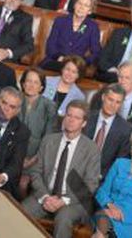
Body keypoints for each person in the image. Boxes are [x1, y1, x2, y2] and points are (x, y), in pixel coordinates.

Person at [22, 100, 101, 238]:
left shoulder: (91, 149)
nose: (71, 120)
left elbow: (91, 184)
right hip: (45, 194)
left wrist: (63, 201)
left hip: (73, 201)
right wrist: (45, 196)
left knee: (63, 219)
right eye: (69, 115)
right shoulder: (49, 140)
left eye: (77, 118)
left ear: (84, 123)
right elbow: (35, 172)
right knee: (21, 211)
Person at [18, 69, 56, 198]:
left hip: (36, 159)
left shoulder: (49, 106)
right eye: (28, 81)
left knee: (22, 184)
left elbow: (48, 140)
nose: (31, 85)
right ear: (23, 83)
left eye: (35, 82)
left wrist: (31, 161)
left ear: (41, 87)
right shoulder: (15, 100)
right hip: (12, 154)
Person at [40, 0, 101, 71]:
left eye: (86, 5)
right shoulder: (60, 21)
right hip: (56, 61)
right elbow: (50, 44)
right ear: (74, 5)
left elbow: (96, 52)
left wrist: (82, 62)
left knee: (71, 71)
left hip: (76, 66)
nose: (81, 7)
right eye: (79, 3)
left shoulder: (93, 27)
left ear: (90, 11)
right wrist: (58, 57)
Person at [84, 84, 132, 178]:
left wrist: (102, 176)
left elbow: (120, 162)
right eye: (110, 99)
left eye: (118, 102)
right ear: (103, 97)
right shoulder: (87, 117)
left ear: (121, 104)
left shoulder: (126, 129)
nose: (113, 105)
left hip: (103, 178)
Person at [92, 61, 132, 127]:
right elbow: (93, 118)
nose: (122, 81)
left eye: (127, 78)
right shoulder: (104, 93)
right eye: (120, 77)